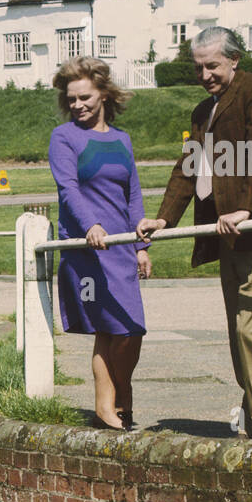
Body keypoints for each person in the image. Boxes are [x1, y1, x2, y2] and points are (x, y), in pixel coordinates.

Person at [136, 27, 252, 440]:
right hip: (228, 233)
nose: (205, 74)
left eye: (212, 65)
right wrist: (164, 219)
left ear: (234, 59)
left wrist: (247, 208)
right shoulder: (202, 111)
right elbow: (187, 168)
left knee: (251, 327)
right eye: (198, 67)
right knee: (239, 332)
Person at [48, 56, 151, 431]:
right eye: (71, 99)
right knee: (108, 328)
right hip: (87, 246)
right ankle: (107, 405)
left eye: (85, 97)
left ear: (104, 94)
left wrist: (141, 247)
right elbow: (68, 188)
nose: (78, 105)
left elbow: (133, 194)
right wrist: (89, 225)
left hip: (122, 244)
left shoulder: (122, 139)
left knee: (131, 329)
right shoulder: (64, 137)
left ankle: (121, 391)